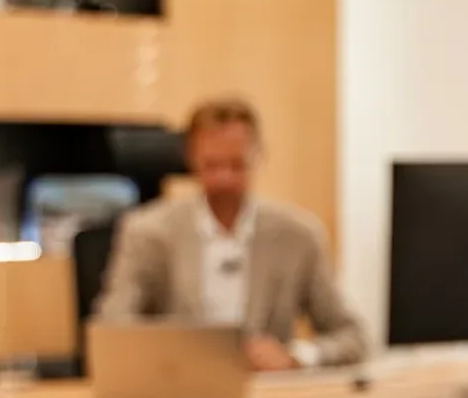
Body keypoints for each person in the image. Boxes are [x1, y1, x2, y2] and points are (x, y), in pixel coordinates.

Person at [95, 95, 368, 369]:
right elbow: (113, 327)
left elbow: (352, 336)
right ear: (191, 159)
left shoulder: (299, 236)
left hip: (266, 387)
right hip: (179, 383)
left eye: (237, 165)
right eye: (212, 165)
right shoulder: (148, 233)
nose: (224, 179)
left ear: (259, 156)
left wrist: (297, 355)